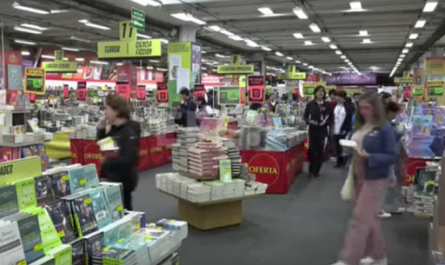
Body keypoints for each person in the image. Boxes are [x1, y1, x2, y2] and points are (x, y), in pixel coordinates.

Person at [332, 92, 396, 265]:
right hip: (357, 174)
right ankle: (378, 255)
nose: (363, 111)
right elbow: (356, 146)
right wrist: (349, 150)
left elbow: (392, 156)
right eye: (361, 108)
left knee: (360, 218)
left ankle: (349, 259)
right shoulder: (361, 125)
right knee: (370, 219)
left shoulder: (384, 128)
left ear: (376, 108)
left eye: (367, 107)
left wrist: (369, 157)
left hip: (374, 177)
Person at [97, 94, 140, 211]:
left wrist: (108, 160)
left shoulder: (128, 131)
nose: (105, 112)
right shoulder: (114, 128)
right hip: (113, 177)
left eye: (107, 109)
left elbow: (130, 158)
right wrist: (101, 130)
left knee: (124, 210)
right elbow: (104, 145)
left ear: (116, 111)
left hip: (124, 179)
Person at [378, 102, 405, 218]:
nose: (395, 116)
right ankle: (379, 209)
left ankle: (390, 206)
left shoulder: (387, 124)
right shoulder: (384, 125)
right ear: (389, 112)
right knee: (387, 183)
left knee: (391, 182)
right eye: (394, 113)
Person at [303, 86, 333, 178]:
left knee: (320, 151)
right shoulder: (310, 104)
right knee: (312, 150)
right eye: (318, 91)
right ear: (315, 93)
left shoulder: (327, 104)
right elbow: (305, 117)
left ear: (324, 93)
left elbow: (331, 117)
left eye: (322, 91)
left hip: (323, 130)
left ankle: (316, 171)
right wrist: (311, 121)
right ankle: (311, 168)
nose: (320, 93)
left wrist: (326, 122)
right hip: (313, 129)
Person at [333, 90, 355, 167]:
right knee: (337, 145)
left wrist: (347, 127)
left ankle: (343, 161)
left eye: (339, 97)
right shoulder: (335, 105)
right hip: (335, 128)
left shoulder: (348, 106)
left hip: (344, 128)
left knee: (343, 145)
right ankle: (339, 161)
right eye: (337, 97)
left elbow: (350, 117)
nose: (337, 98)